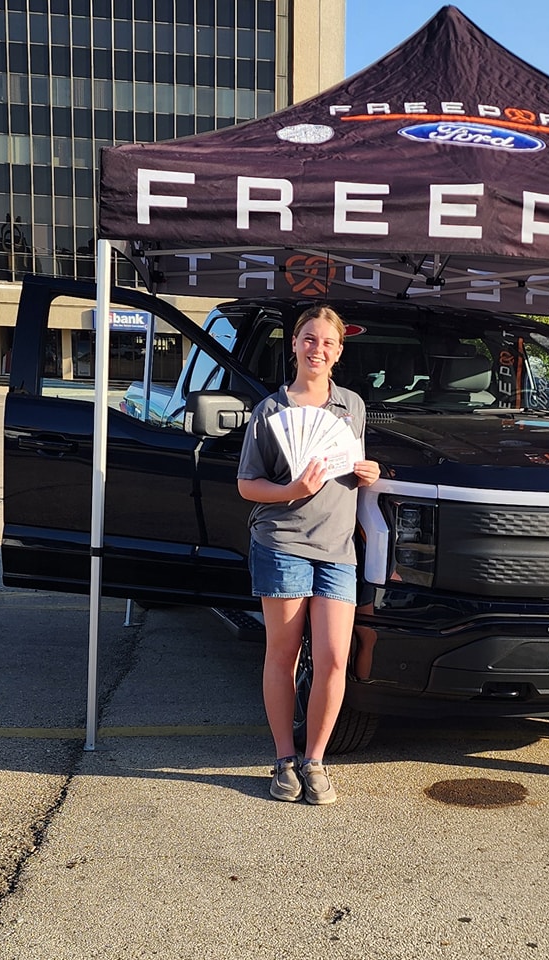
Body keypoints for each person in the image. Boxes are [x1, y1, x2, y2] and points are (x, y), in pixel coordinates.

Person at [237, 305, 380, 805]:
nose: (317, 349)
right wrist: (293, 488)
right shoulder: (270, 412)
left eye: (328, 342)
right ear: (294, 344)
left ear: (339, 352)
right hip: (283, 545)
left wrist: (369, 473)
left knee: (335, 658)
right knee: (284, 653)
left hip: (338, 547)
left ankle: (315, 760)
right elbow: (246, 485)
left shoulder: (352, 407)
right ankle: (282, 759)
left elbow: (353, 465)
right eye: (309, 339)